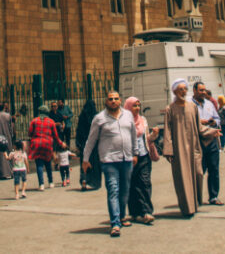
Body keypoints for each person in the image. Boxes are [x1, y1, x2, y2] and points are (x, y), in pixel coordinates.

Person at [82, 90, 138, 237]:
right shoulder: (99, 118)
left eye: (116, 98)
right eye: (110, 99)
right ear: (106, 102)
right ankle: (115, 223)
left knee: (125, 190)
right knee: (113, 189)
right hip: (109, 160)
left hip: (127, 159)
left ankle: (122, 215)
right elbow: (91, 139)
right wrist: (85, 159)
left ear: (120, 101)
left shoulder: (128, 115)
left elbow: (133, 135)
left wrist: (135, 152)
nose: (113, 101)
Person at [162, 79, 216, 217]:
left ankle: (196, 203)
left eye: (185, 89)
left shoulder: (192, 107)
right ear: (175, 91)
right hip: (179, 150)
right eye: (180, 89)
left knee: (198, 174)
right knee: (184, 178)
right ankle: (187, 208)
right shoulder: (170, 109)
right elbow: (167, 131)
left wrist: (212, 132)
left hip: (194, 148)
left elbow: (199, 127)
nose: (183, 91)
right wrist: (169, 150)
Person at [124, 95, 159, 225]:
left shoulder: (143, 119)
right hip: (130, 158)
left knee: (144, 183)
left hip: (144, 155)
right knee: (133, 186)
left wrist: (154, 135)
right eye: (134, 105)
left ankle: (146, 211)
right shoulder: (124, 121)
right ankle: (134, 213)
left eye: (138, 105)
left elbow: (146, 138)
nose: (137, 108)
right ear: (128, 107)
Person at [192, 81, 224, 206]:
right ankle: (196, 197)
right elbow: (189, 122)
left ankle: (213, 196)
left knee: (214, 169)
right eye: (201, 90)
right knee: (199, 171)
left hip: (212, 140)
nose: (203, 92)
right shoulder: (190, 105)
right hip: (199, 141)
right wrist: (201, 122)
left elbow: (217, 119)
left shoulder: (209, 104)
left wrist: (213, 122)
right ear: (194, 91)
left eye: (204, 90)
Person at [28, 105, 65, 190]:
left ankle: (41, 184)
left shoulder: (34, 121)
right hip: (47, 144)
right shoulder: (51, 122)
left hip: (36, 144)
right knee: (48, 163)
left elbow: (29, 133)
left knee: (39, 165)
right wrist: (60, 143)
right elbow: (55, 136)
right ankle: (51, 182)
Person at [76, 98, 101, 190]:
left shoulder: (82, 116)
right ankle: (95, 182)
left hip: (83, 144)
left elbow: (78, 130)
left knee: (84, 162)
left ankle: (84, 180)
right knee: (94, 163)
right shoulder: (96, 116)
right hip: (94, 144)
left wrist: (78, 144)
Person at [0, 102, 15, 180]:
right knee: (9, 152)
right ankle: (11, 171)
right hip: (7, 135)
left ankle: (2, 173)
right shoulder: (7, 115)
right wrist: (11, 134)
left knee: (0, 155)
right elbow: (11, 127)